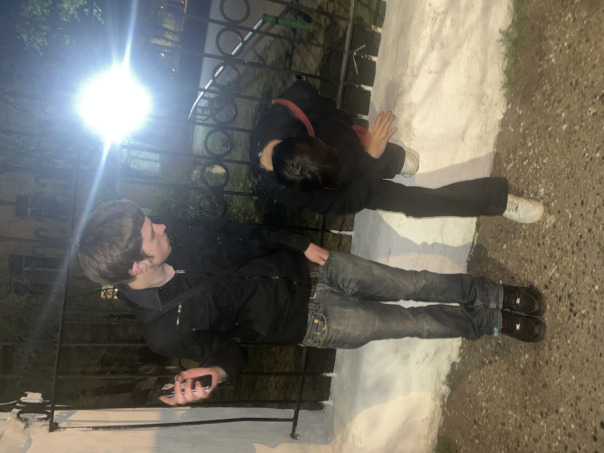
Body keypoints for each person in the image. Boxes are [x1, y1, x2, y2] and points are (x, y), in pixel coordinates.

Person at [77, 200, 546, 406]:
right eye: (150, 232)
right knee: (412, 324)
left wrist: (298, 243)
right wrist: (216, 373)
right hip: (313, 322)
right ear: (136, 265)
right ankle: (488, 324)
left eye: (151, 221)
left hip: (312, 268)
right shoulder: (162, 331)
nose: (160, 226)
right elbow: (229, 353)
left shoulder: (175, 237)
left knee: (415, 282)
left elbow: (245, 236)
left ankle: (492, 294)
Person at [250, 78, 543, 223]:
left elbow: (326, 106)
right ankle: (497, 200)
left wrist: (359, 141)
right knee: (413, 204)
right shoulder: (286, 190)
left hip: (344, 147)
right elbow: (346, 202)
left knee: (376, 154)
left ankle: (393, 159)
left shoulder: (294, 101)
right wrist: (371, 160)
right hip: (347, 183)